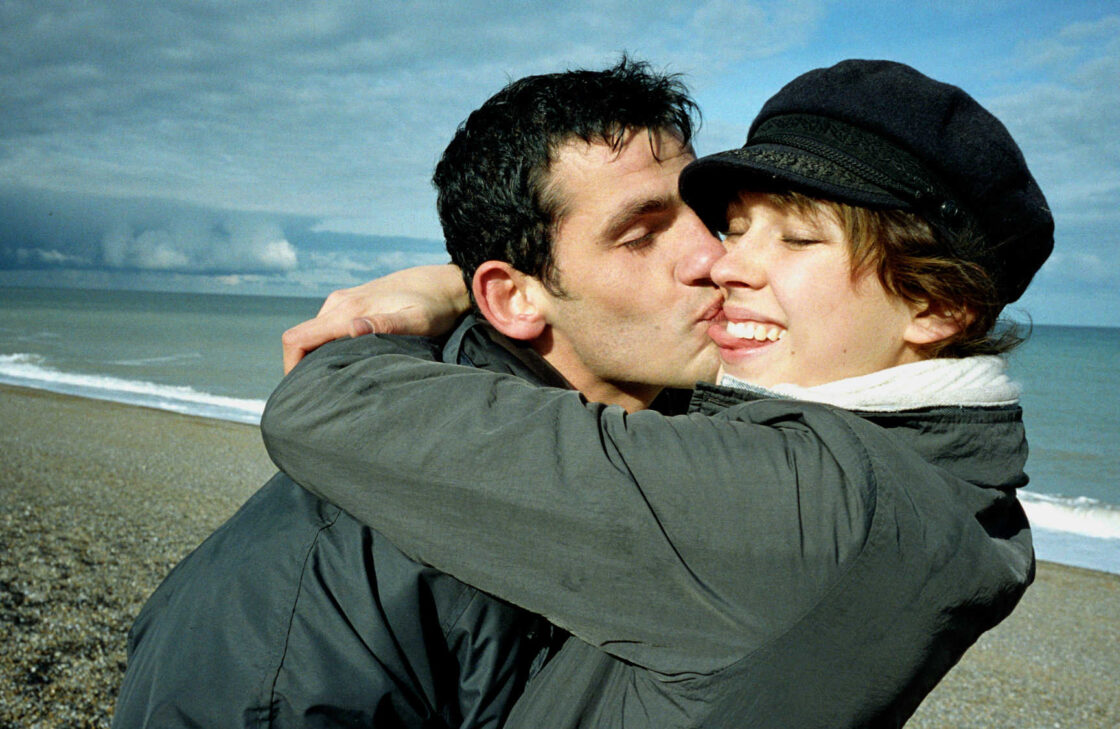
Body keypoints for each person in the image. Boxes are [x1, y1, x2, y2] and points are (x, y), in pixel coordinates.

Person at [261, 59, 1054, 728]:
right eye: (734, 226)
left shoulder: (811, 503)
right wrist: (486, 284)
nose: (721, 262)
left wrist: (446, 291)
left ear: (937, 305)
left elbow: (327, 402)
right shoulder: (941, 482)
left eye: (798, 236)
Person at [112, 58, 724, 728]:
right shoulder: (322, 608)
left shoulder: (684, 434)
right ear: (512, 297)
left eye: (710, 216)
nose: (716, 257)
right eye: (641, 235)